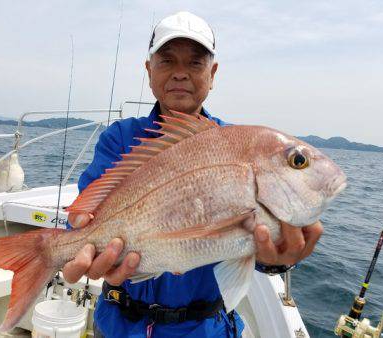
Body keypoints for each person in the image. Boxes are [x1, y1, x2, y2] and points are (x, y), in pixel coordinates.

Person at [64, 11, 323, 338]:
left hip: (203, 329)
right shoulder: (119, 138)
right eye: (167, 61)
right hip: (118, 325)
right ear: (149, 70)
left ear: (212, 74)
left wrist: (277, 259)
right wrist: (77, 234)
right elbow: (84, 216)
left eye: (195, 63)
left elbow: (248, 248)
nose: (180, 74)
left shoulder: (236, 148)